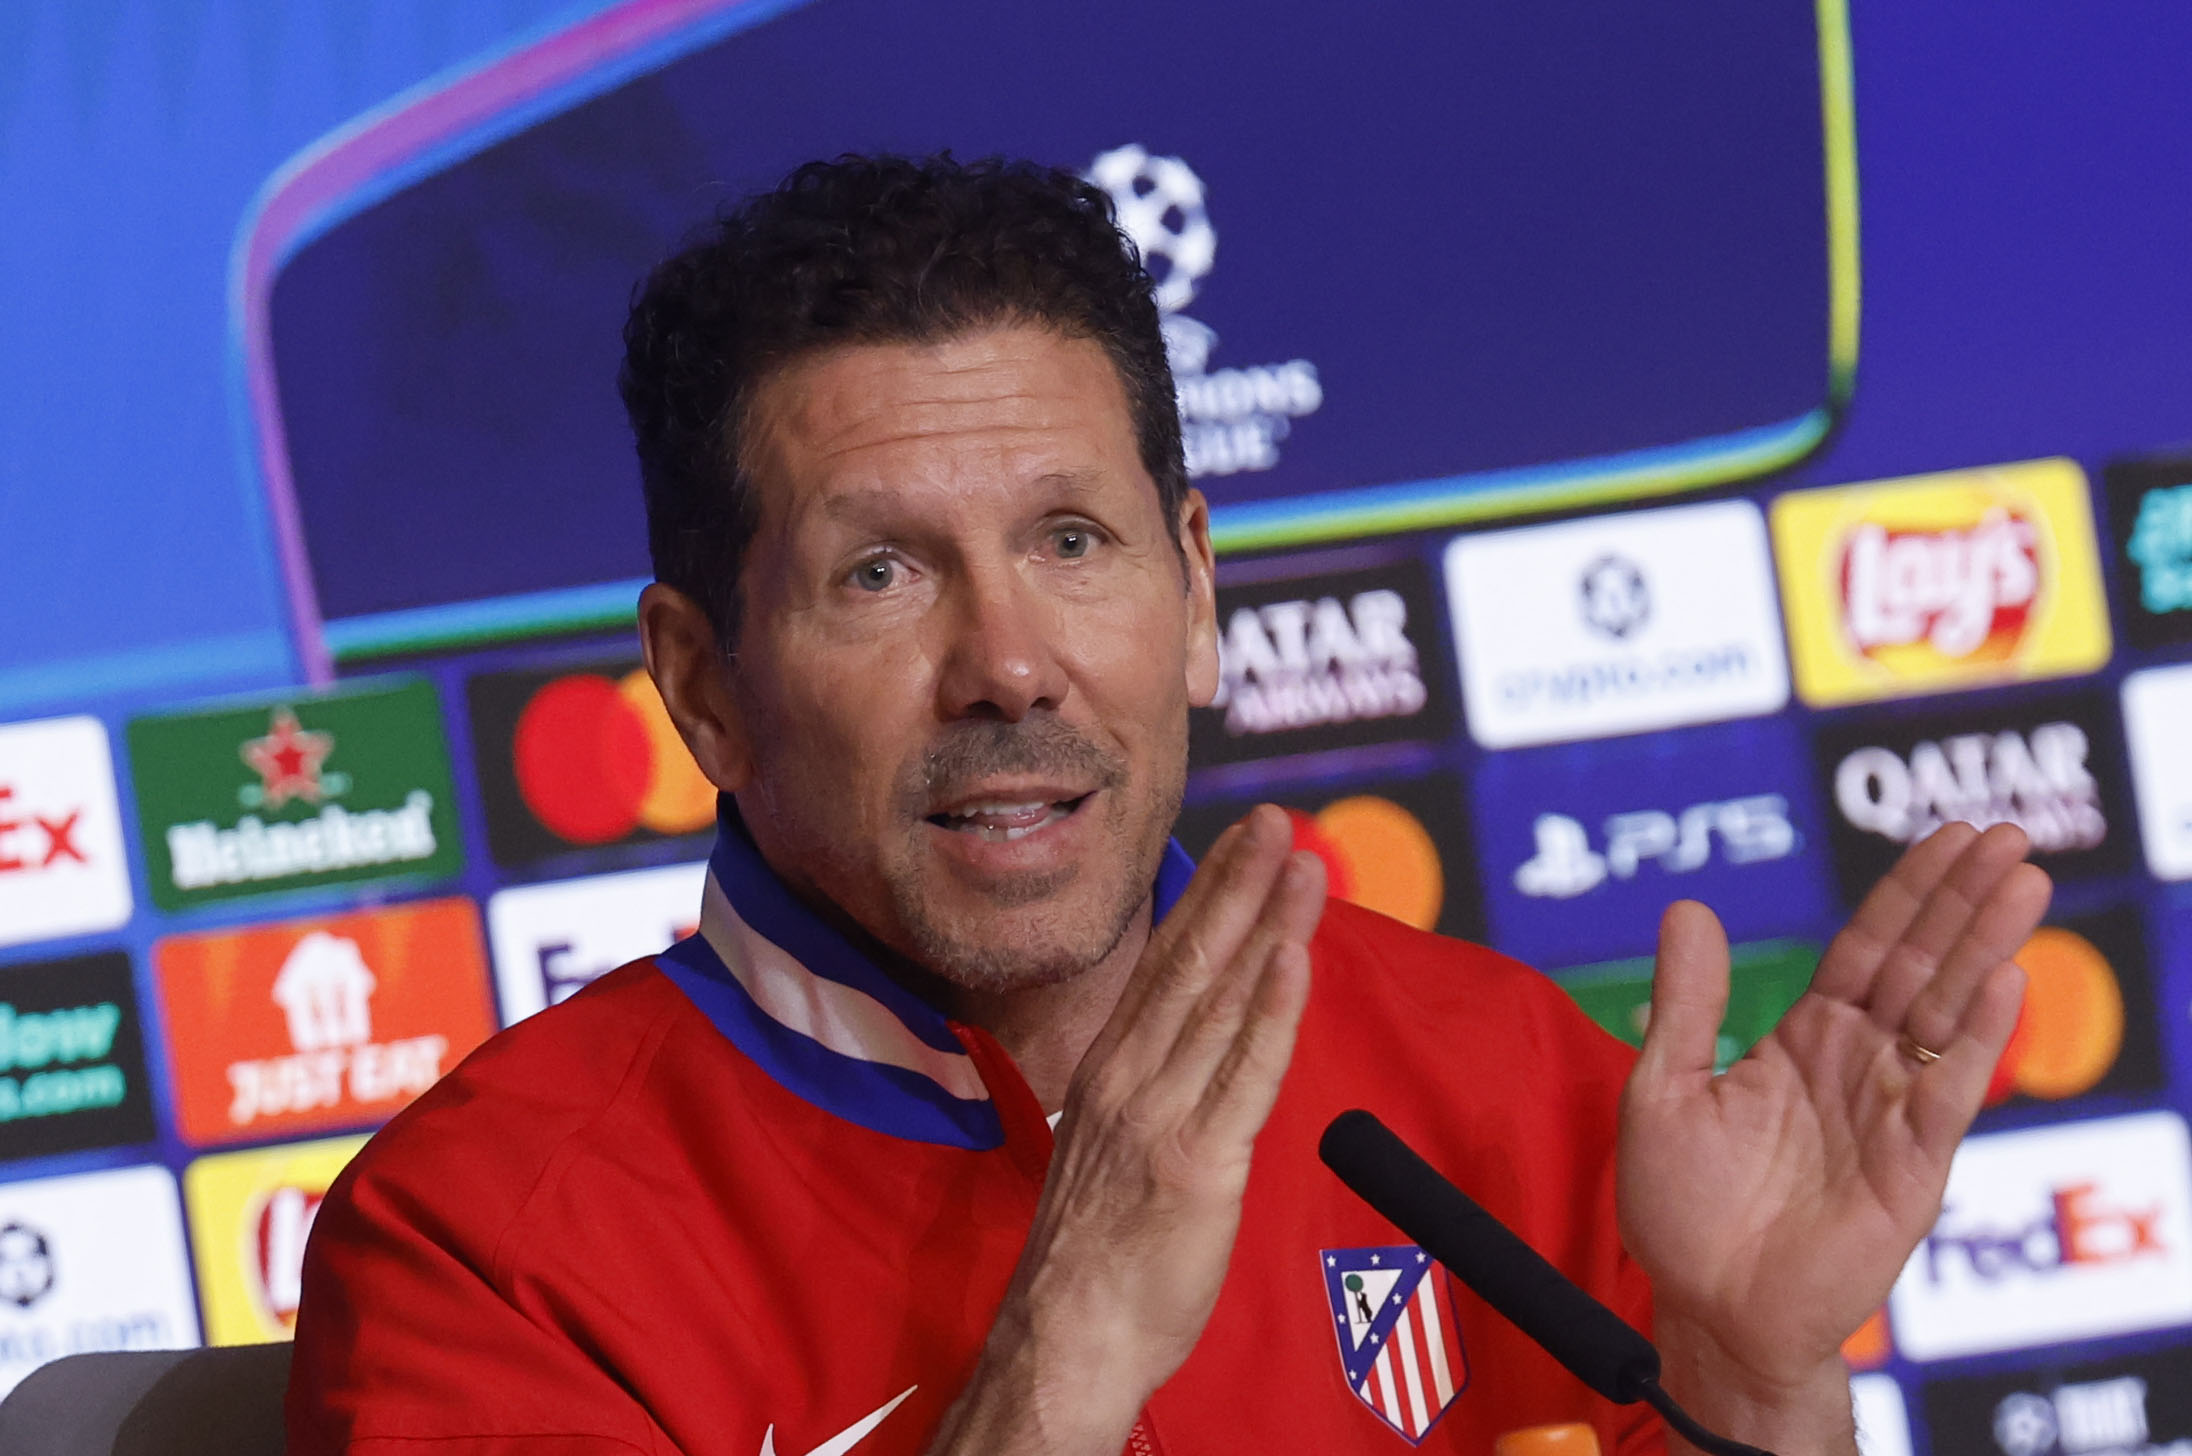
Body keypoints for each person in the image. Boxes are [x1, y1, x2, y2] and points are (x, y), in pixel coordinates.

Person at [285, 155, 2049, 1456]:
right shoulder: (490, 1247)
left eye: (1073, 543)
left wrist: (1749, 1385)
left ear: (1196, 592)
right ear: (702, 685)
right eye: (884, 572)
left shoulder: (1497, 1079)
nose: (1013, 666)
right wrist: (1061, 1355)